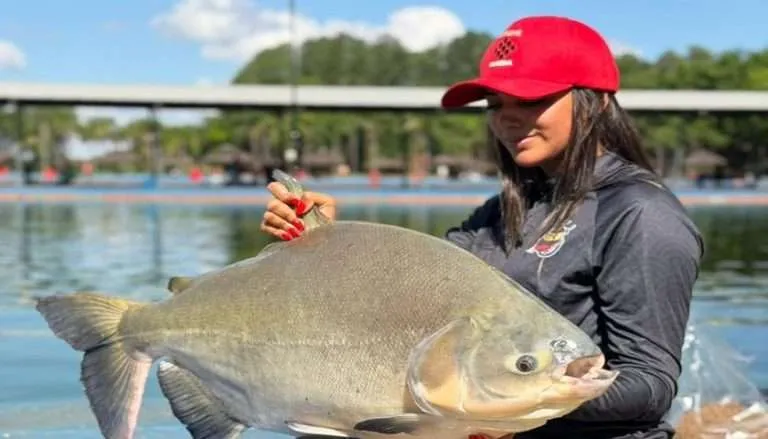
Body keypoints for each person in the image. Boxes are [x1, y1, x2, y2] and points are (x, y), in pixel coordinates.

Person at [259, 15, 704, 439]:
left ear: (598, 102)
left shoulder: (641, 213)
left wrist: (509, 407)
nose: (507, 118)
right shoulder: (501, 212)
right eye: (495, 104)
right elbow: (416, 297)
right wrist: (329, 244)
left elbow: (650, 384)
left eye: (530, 100)